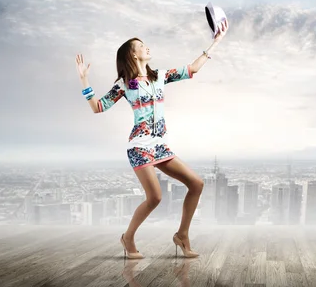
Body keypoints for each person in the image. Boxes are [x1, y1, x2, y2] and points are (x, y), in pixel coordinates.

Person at [75, 19, 229, 259]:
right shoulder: (125, 85)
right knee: (155, 197)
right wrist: (84, 81)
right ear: (133, 55)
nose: (146, 48)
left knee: (196, 184)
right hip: (139, 147)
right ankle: (128, 237)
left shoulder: (159, 76)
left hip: (159, 146)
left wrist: (215, 42)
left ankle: (182, 235)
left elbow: (192, 69)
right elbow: (98, 107)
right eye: (141, 46)